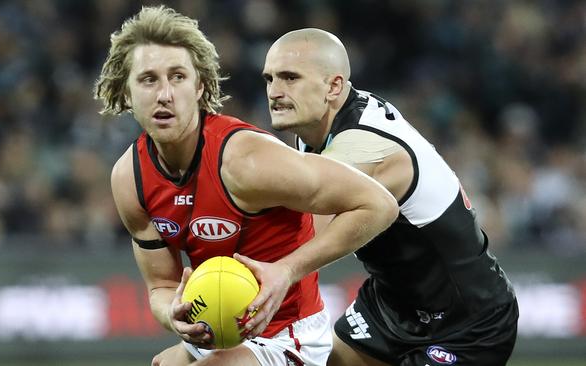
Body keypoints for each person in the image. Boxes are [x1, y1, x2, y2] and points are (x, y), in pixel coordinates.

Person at [94, 7, 398, 366]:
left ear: (200, 87)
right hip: (216, 329)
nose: (164, 94)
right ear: (126, 93)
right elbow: (161, 285)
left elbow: (379, 204)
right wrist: (172, 315)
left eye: (177, 77)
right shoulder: (130, 178)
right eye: (148, 79)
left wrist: (288, 270)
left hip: (288, 332)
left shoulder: (246, 159)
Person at [262, 28, 519, 366]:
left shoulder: (364, 145)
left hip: (469, 322)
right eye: (269, 79)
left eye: (290, 78)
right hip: (390, 307)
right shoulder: (315, 130)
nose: (274, 92)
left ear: (334, 86)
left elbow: (304, 234)